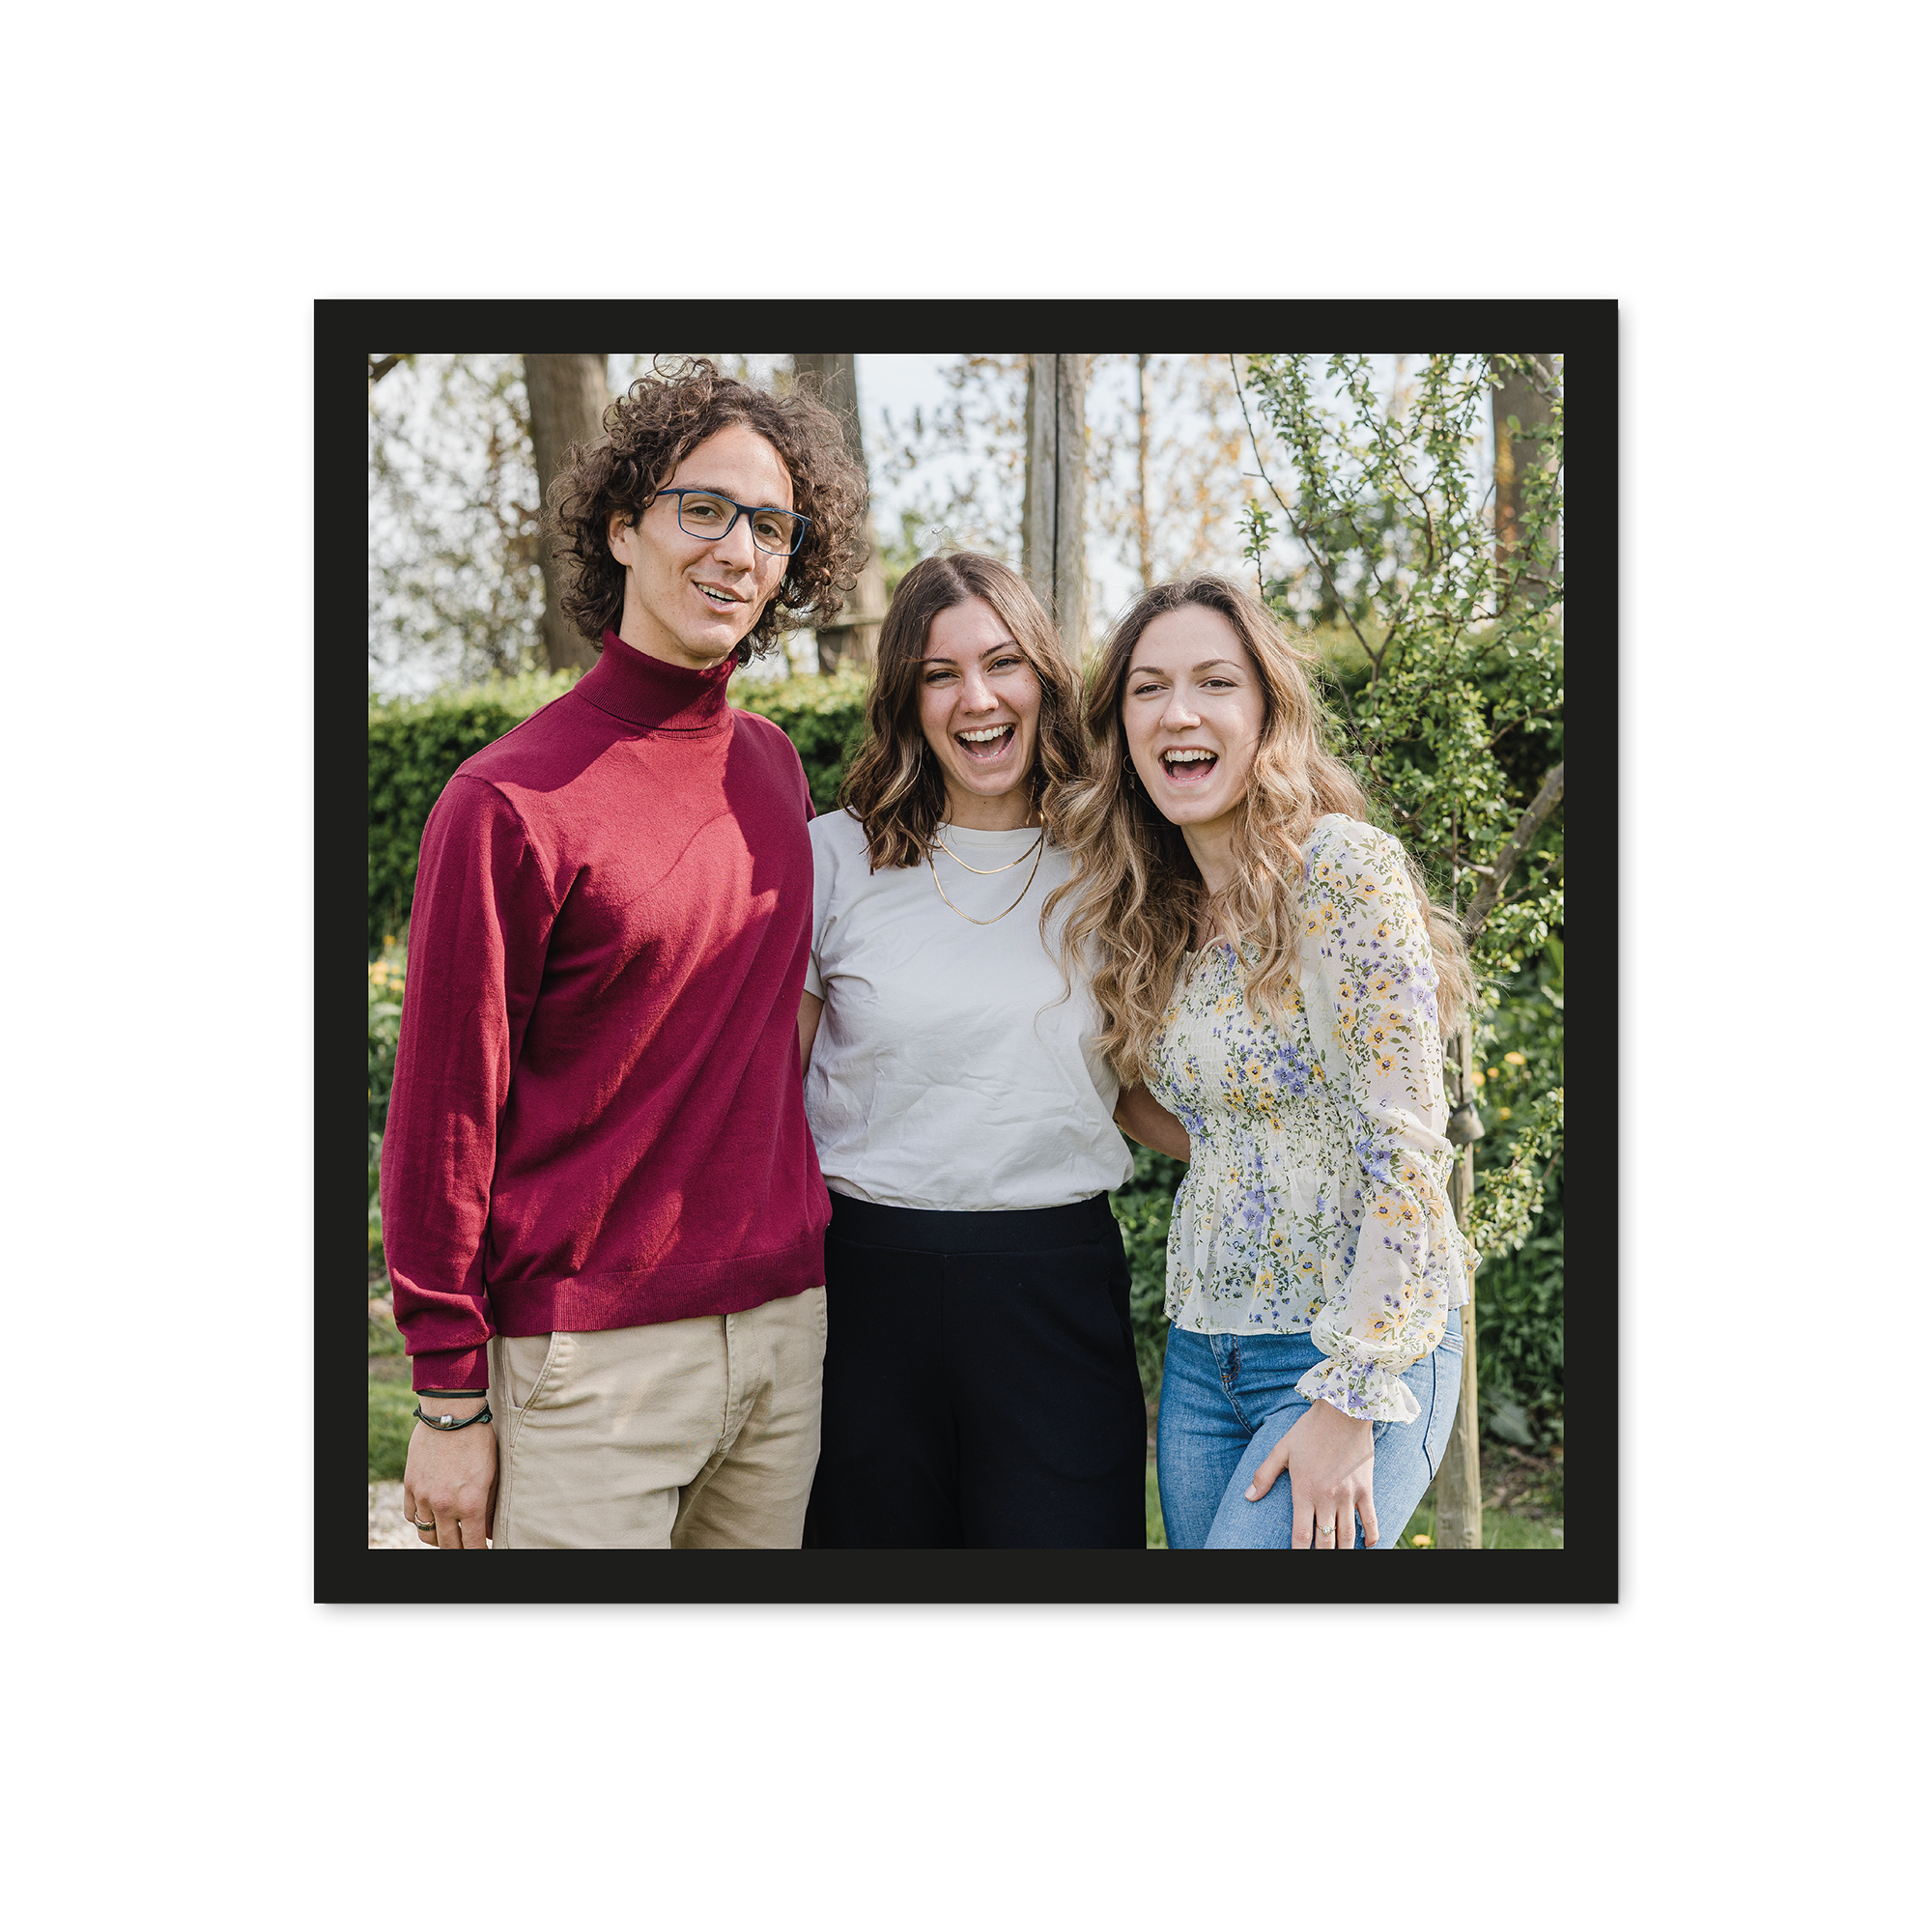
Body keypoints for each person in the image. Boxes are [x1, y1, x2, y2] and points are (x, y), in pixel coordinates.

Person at [382, 357, 868, 1548]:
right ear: (620, 526)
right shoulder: (505, 801)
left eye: (769, 525)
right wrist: (447, 1394)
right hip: (587, 1367)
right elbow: (444, 1116)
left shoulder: (772, 769)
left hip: (782, 1335)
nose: (736, 549)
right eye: (702, 508)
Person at [1047, 575, 1474, 1551]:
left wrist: (1350, 1395)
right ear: (1121, 729)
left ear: (1267, 712)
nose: (1178, 712)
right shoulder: (1152, 912)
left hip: (1352, 1353)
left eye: (1214, 682)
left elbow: (1409, 1147)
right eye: (1147, 688)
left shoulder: (1340, 870)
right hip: (1206, 1358)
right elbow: (1190, 1117)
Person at [796, 553, 1148, 1548]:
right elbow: (770, 1089)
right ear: (906, 700)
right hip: (862, 1287)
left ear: (1044, 676)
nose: (977, 699)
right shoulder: (833, 855)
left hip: (1053, 1285)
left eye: (1002, 663)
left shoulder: (1115, 861)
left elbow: (1136, 1085)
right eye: (939, 673)